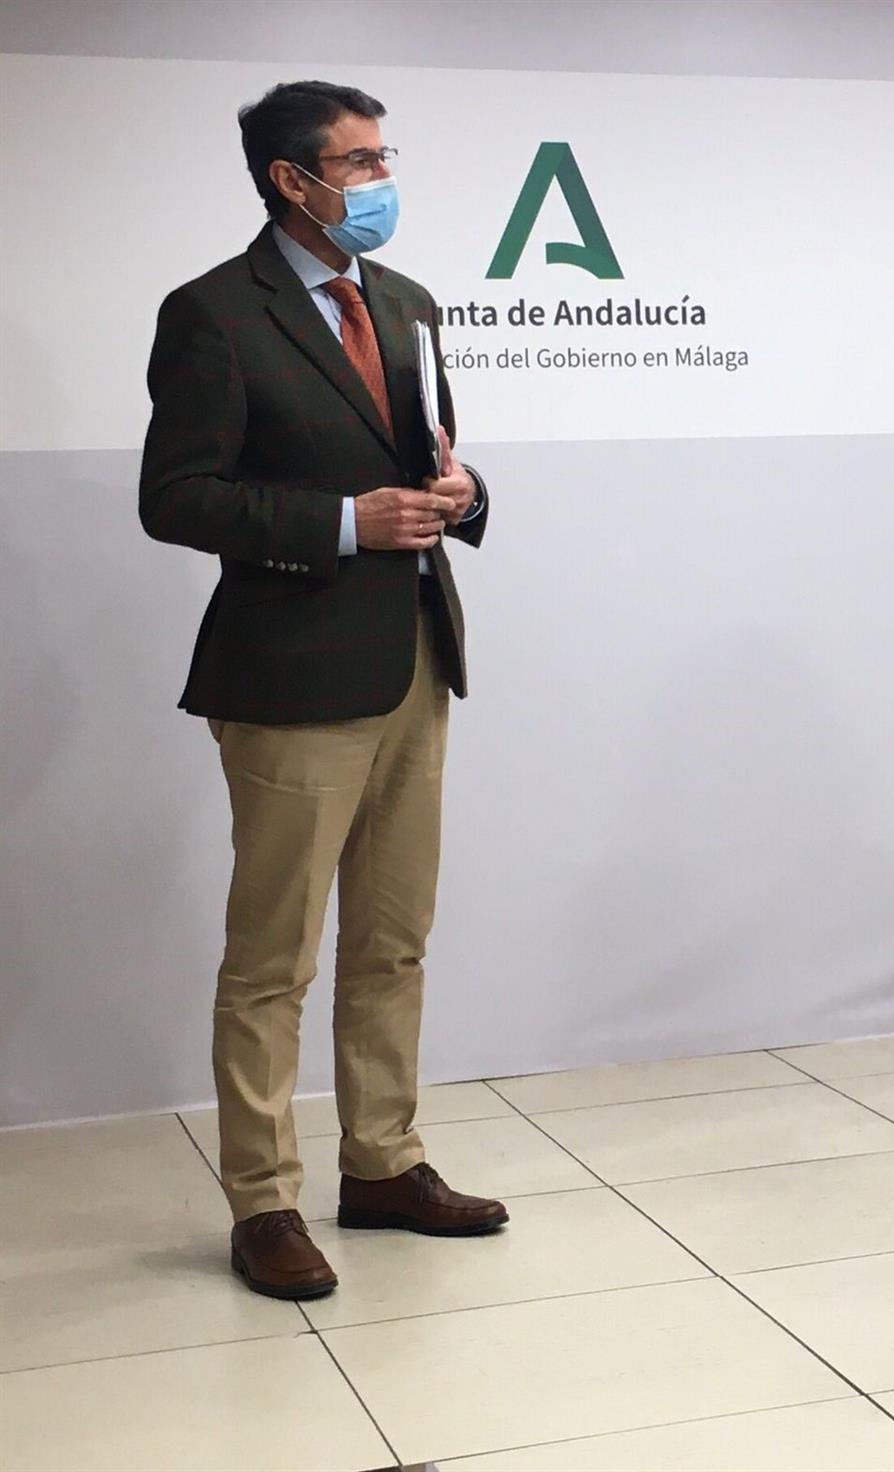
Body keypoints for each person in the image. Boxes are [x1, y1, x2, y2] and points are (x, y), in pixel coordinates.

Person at [139, 80, 506, 1301]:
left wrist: (465, 497)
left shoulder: (406, 302)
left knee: (394, 940)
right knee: (273, 957)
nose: (379, 179)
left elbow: (432, 461)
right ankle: (264, 1199)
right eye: (357, 164)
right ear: (290, 182)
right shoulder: (213, 315)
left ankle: (384, 1163)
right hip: (289, 670)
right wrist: (342, 523)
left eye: (381, 154)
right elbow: (177, 495)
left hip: (412, 657)